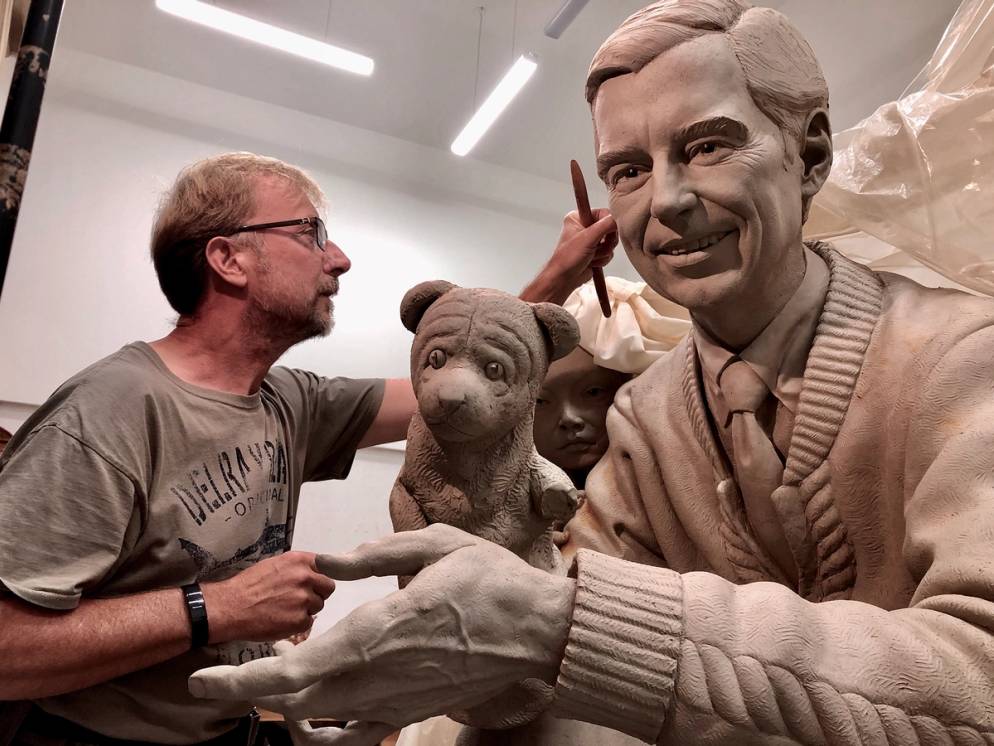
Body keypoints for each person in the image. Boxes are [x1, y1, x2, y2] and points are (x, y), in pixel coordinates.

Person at [189, 2, 994, 744]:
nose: (666, 201)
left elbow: (977, 673)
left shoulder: (960, 355)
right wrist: (466, 665)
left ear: (810, 154)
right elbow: (555, 644)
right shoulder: (647, 415)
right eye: (628, 171)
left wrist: (557, 624)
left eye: (707, 146)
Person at [0, 152, 617, 743]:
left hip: (227, 731)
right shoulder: (107, 414)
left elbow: (466, 377)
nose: (340, 259)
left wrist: (561, 270)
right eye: (311, 233)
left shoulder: (287, 402)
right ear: (228, 259)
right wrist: (217, 608)